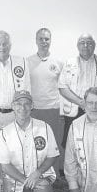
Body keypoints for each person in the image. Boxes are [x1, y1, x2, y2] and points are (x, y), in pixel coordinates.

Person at [0, 90, 59, 192]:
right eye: (18, 104)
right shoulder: (5, 133)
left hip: (39, 178)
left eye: (27, 104)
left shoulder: (44, 128)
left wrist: (37, 173)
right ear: (13, 106)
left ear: (32, 106)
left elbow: (52, 155)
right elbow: (4, 166)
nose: (22, 108)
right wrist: (26, 181)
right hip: (14, 183)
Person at [59, 33, 97, 148]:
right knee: (71, 145)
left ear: (94, 45)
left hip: (96, 110)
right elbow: (62, 87)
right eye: (82, 43)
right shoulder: (69, 63)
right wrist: (81, 102)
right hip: (74, 110)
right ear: (77, 46)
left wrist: (94, 101)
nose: (85, 45)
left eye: (89, 43)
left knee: (96, 144)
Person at [27, 28, 63, 175]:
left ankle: (52, 176)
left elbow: (64, 87)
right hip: (33, 110)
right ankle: (32, 174)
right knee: (34, 144)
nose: (44, 42)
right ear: (36, 40)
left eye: (46, 39)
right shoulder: (27, 61)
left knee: (52, 145)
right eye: (41, 39)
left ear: (50, 40)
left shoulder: (59, 62)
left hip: (52, 109)